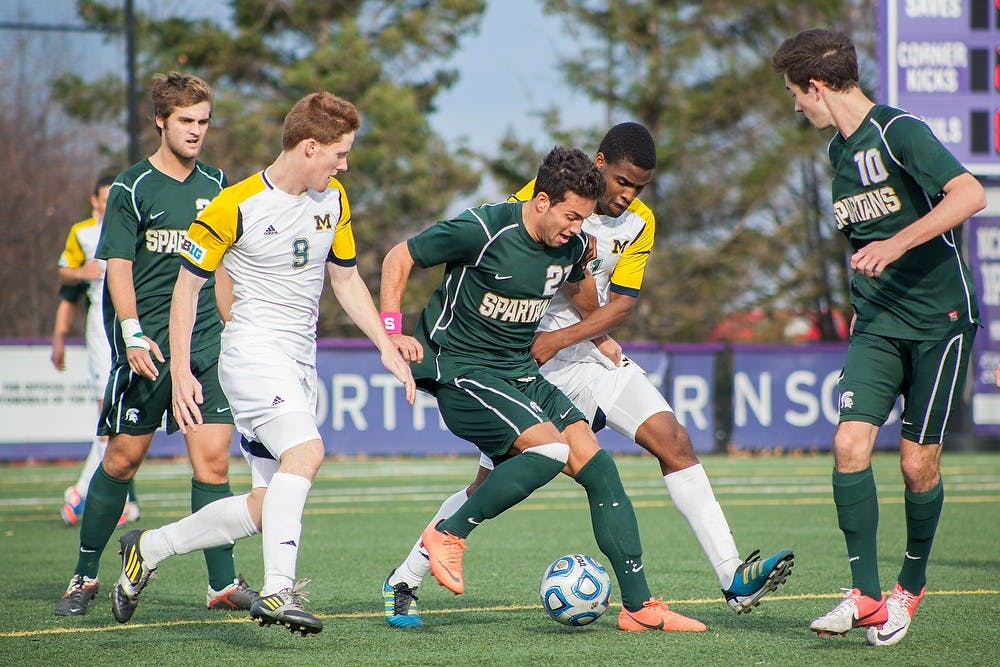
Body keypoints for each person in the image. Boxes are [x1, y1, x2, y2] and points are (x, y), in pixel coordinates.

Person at [381, 123, 794, 629]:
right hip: (501, 365)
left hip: (560, 359)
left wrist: (592, 335)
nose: (627, 195)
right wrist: (391, 330)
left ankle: (688, 591)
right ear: (592, 170)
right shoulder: (513, 217)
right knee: (498, 479)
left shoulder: (626, 226)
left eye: (639, 186)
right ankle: (410, 573)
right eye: (622, 181)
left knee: (656, 447)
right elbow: (412, 255)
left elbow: (600, 298)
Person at [107, 91, 416, 636]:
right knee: (308, 451)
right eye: (339, 154)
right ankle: (277, 590)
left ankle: (149, 548)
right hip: (251, 353)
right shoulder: (235, 203)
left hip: (300, 363)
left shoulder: (334, 199)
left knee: (265, 504)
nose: (344, 165)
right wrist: (182, 369)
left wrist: (386, 344)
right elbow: (187, 291)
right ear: (310, 146)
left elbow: (344, 278)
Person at [772, 29, 986, 646]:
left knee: (918, 463)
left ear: (816, 85)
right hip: (878, 323)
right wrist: (860, 306)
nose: (795, 107)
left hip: (940, 321)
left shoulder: (899, 131)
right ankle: (865, 597)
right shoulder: (838, 155)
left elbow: (969, 193)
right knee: (848, 445)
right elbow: (860, 248)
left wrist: (896, 244)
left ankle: (908, 588)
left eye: (794, 94)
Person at [54, 72, 255, 617]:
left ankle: (221, 584)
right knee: (121, 460)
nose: (196, 131)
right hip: (148, 349)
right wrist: (131, 331)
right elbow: (117, 265)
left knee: (213, 463)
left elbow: (225, 266)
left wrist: (233, 322)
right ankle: (85, 575)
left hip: (207, 344)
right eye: (186, 121)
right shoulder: (130, 187)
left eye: (204, 121)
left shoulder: (218, 184)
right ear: (161, 121)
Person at [51, 175, 140, 527]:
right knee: (110, 418)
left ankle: (113, 498)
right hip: (102, 331)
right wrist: (80, 272)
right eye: (106, 198)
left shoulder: (132, 224)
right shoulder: (83, 232)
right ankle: (82, 492)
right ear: (95, 201)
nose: (111, 203)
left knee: (122, 419)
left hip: (133, 325)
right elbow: (64, 272)